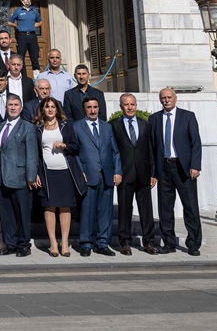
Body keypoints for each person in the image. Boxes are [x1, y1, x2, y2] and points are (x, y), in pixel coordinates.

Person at [150, 88, 203, 256]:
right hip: (163, 167)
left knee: (190, 207)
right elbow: (152, 148)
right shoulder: (154, 119)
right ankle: (169, 243)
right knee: (165, 208)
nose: (166, 100)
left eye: (169, 97)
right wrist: (153, 173)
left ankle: (193, 243)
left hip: (183, 167)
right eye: (163, 98)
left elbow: (196, 143)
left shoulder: (188, 116)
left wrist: (195, 166)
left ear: (175, 98)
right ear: (160, 100)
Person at [34, 96, 85, 258]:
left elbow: (76, 146)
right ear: (42, 109)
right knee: (49, 206)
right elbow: (34, 152)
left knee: (65, 206)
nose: (50, 109)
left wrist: (64, 145)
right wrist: (35, 173)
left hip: (65, 170)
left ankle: (64, 242)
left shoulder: (65, 125)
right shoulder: (37, 127)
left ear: (57, 109)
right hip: (47, 172)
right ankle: (53, 243)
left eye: (53, 107)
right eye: (47, 106)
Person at [111, 93, 158, 255]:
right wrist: (116, 172)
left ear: (136, 106)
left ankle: (149, 242)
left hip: (144, 173)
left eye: (132, 104)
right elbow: (113, 150)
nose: (130, 107)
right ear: (121, 107)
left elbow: (151, 149)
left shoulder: (146, 125)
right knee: (124, 209)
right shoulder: (114, 125)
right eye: (126, 104)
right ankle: (124, 242)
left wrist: (153, 173)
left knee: (146, 210)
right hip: (124, 173)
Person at [74, 95, 121, 257]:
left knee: (105, 212)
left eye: (95, 107)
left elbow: (115, 151)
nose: (92, 110)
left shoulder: (107, 127)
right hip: (88, 175)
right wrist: (81, 172)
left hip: (107, 175)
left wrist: (117, 171)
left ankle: (103, 243)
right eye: (89, 107)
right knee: (87, 212)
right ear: (84, 109)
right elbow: (74, 154)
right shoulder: (76, 127)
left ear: (99, 108)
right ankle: (86, 243)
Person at [0, 93, 38, 257]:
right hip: (2, 178)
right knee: (7, 215)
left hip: (21, 178)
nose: (12, 108)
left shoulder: (27, 127)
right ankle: (10, 244)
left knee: (22, 214)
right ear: (6, 107)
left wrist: (31, 177)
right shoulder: (0, 127)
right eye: (10, 105)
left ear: (21, 108)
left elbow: (32, 154)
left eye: (15, 105)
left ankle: (24, 245)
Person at [6, 0, 41, 74]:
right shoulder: (18, 10)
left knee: (34, 56)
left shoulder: (34, 11)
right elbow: (9, 22)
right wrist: (16, 26)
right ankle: (23, 75)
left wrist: (35, 25)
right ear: (22, 1)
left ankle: (36, 75)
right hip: (22, 36)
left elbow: (40, 21)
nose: (28, 0)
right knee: (21, 56)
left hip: (32, 35)